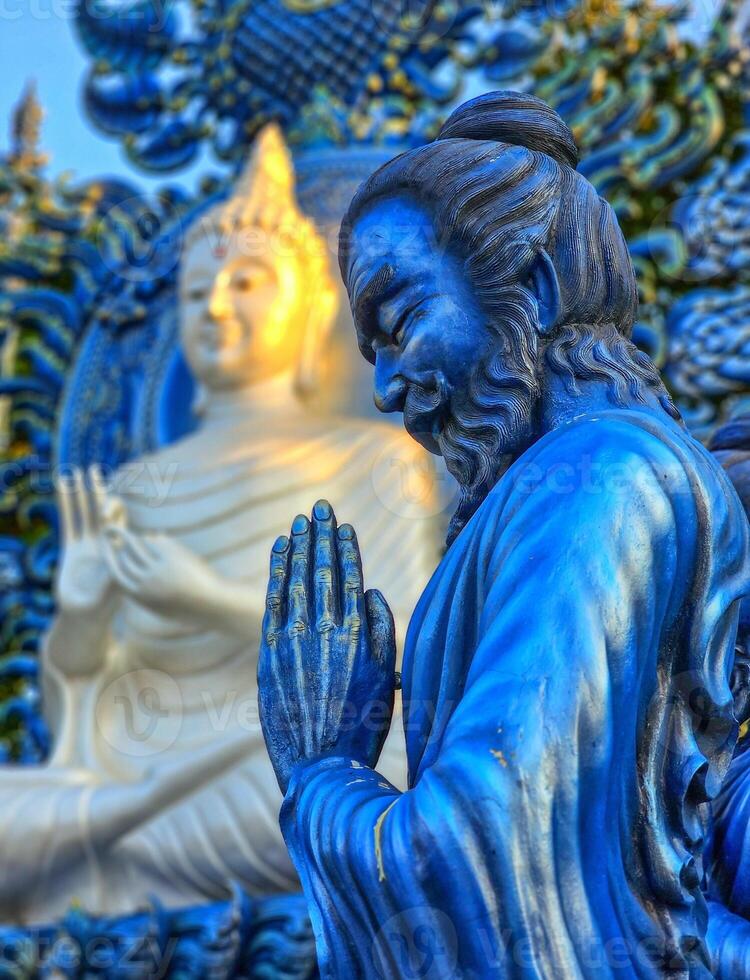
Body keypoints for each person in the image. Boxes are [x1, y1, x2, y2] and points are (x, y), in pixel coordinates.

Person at [258, 92, 750, 977]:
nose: (384, 390)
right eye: (369, 354)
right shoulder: (574, 486)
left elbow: (478, 844)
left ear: (536, 284)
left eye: (401, 322)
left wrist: (321, 766)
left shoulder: (605, 473)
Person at [0, 125, 441, 923]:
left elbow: (400, 653)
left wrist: (202, 597)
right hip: (153, 763)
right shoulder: (134, 487)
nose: (214, 305)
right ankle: (108, 837)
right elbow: (89, 713)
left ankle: (103, 853)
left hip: (287, 754)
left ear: (311, 313)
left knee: (363, 784)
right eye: (197, 289)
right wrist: (81, 616)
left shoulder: (374, 459)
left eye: (245, 283)